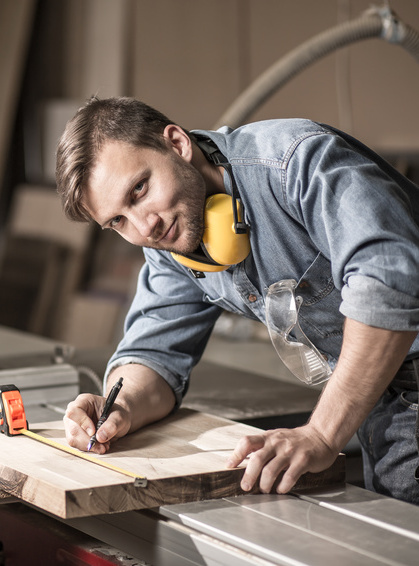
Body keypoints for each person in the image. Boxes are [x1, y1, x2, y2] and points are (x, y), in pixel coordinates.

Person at [56, 96, 419, 504]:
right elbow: (153, 354)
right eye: (118, 220)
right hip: (379, 394)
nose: (145, 227)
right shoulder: (169, 240)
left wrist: (320, 434)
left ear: (176, 143)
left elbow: (390, 284)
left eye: (139, 189)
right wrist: (119, 408)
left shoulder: (295, 162)